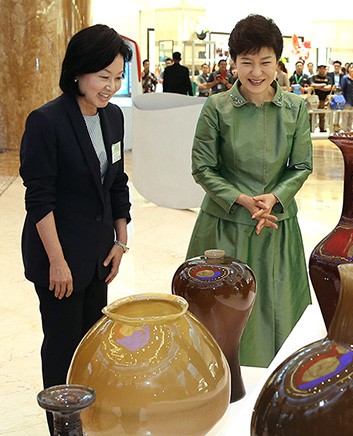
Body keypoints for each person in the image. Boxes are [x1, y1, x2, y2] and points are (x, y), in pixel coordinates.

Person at [19, 24, 132, 433]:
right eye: (104, 76)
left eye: (118, 77)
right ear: (78, 72)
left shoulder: (113, 117)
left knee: (91, 343)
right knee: (62, 345)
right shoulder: (46, 121)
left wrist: (121, 240)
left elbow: (116, 182)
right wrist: (58, 262)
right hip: (58, 258)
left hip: (98, 255)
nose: (111, 86)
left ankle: (88, 416)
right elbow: (39, 199)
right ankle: (63, 426)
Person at [186, 14, 312, 368]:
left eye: (265, 62)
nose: (256, 72)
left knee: (278, 307)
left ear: (277, 62)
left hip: (276, 225)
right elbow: (203, 167)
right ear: (234, 62)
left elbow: (301, 166)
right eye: (247, 62)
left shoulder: (295, 108)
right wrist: (241, 198)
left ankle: (278, 383)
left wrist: (274, 197)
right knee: (222, 312)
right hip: (224, 228)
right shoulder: (217, 108)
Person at [310, 64, 332, 132]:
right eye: (320, 68)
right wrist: (323, 85)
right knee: (311, 115)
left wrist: (318, 87)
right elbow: (312, 85)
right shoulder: (314, 77)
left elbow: (329, 88)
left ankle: (322, 129)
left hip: (323, 99)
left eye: (323, 68)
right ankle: (310, 129)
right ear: (318, 69)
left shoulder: (328, 78)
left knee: (322, 115)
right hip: (314, 99)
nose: (322, 70)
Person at [340, 62, 353, 131]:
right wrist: (343, 100)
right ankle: (344, 130)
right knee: (345, 116)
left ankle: (349, 130)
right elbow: (342, 89)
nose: (352, 69)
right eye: (350, 68)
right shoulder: (345, 78)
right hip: (346, 100)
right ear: (348, 69)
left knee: (351, 116)